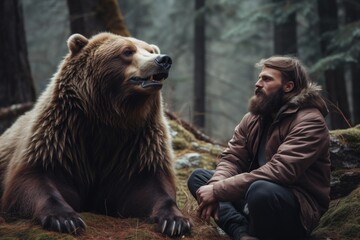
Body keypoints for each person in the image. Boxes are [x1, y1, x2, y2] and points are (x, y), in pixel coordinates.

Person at [187, 56, 331, 240]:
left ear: (288, 86)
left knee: (260, 191)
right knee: (200, 178)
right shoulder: (253, 118)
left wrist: (217, 191)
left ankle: (257, 232)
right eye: (259, 77)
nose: (258, 83)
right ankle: (242, 233)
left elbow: (280, 171)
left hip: (293, 206)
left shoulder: (309, 121)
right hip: (252, 194)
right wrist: (215, 185)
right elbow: (233, 158)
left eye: (267, 79)